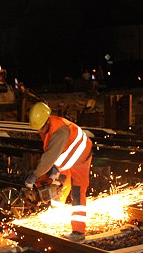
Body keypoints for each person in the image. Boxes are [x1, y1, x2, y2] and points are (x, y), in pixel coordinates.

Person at [25, 102, 93, 242]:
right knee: (59, 186)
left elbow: (49, 157)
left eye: (41, 128)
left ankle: (79, 232)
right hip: (68, 156)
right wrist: (56, 170)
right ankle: (56, 215)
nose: (40, 132)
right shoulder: (47, 125)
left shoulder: (60, 132)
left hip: (81, 157)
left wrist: (35, 175)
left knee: (77, 191)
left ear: (47, 120)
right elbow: (55, 152)